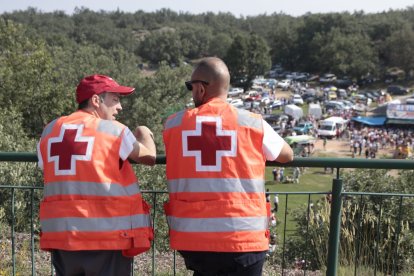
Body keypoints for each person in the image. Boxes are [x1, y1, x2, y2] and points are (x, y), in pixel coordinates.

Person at [163, 57, 293, 276]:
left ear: (201, 89)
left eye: (191, 87)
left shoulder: (174, 125)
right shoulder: (251, 122)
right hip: (243, 239)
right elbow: (287, 155)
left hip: (194, 242)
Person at [37, 74, 157, 276]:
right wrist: (144, 131)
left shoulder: (49, 131)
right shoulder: (114, 130)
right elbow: (149, 157)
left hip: (62, 238)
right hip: (106, 237)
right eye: (115, 100)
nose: (120, 107)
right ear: (95, 100)